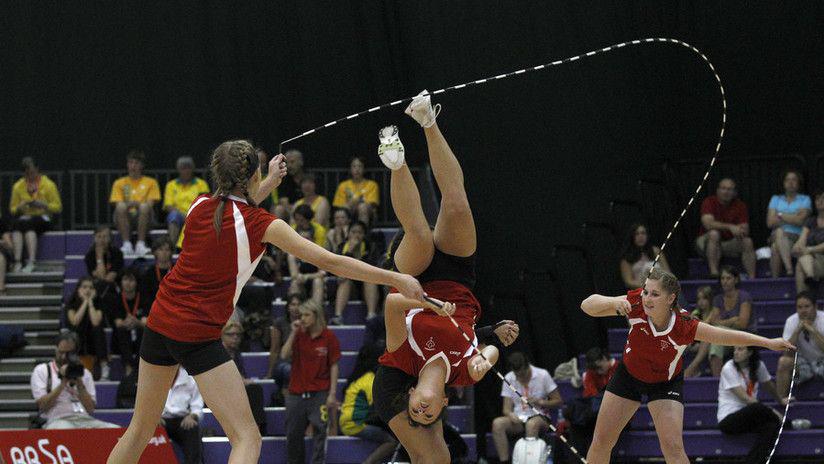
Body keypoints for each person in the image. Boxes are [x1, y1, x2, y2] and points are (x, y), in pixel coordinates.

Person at [107, 140, 423, 464]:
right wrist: (395, 279)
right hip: (197, 334)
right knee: (247, 437)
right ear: (253, 174)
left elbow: (233, 211)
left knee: (140, 428)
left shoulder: (198, 205)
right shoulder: (263, 225)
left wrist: (269, 182)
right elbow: (332, 262)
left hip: (161, 321)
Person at [372, 93, 519, 463]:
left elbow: (391, 303)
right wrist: (485, 357)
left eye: (417, 412)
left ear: (410, 396)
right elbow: (489, 350)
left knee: (419, 233)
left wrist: (425, 302)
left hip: (413, 279)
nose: (422, 412)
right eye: (429, 413)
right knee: (456, 203)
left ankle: (395, 162)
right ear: (442, 403)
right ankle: (426, 119)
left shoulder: (404, 358)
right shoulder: (462, 374)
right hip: (458, 277)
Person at [580, 267, 794, 464]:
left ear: (671, 298)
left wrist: (767, 343)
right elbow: (587, 305)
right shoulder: (635, 303)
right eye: (646, 292)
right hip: (628, 376)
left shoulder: (684, 326)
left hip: (665, 384)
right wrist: (615, 305)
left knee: (673, 449)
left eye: (655, 294)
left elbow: (726, 336)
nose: (647, 298)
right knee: (602, 441)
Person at [280, 300, 341, 464]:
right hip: (296, 392)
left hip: (319, 392)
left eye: (306, 315)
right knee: (293, 434)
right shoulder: (299, 334)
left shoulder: (329, 336)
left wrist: (332, 394)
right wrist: (292, 333)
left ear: (316, 315)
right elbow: (284, 355)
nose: (303, 319)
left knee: (321, 432)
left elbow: (334, 365)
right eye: (301, 315)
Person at [30, 332, 120, 429]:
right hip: (56, 419)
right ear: (55, 349)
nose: (64, 357)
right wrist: (62, 383)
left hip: (83, 419)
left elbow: (90, 409)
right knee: (65, 429)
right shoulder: (43, 370)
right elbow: (42, 407)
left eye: (68, 353)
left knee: (115, 430)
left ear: (75, 352)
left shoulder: (84, 373)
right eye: (61, 352)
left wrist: (79, 382)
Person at [717, 346, 785, 464]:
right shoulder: (728, 368)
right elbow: (745, 398)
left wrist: (780, 400)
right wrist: (772, 411)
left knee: (771, 426)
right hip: (729, 419)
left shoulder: (758, 365)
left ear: (750, 353)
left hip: (750, 416)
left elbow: (769, 386)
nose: (736, 353)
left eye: (740, 349)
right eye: (735, 350)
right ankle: (788, 423)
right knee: (756, 407)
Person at [491, 352, 562, 464]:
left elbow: (558, 401)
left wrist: (540, 402)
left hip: (540, 417)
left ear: (527, 366)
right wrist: (510, 415)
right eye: (517, 376)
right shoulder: (509, 378)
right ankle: (504, 461)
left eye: (523, 374)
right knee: (497, 424)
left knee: (531, 424)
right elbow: (506, 409)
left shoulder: (542, 375)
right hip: (519, 419)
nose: (520, 378)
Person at [340, 342, 397, 464]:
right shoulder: (370, 380)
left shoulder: (359, 378)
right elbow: (379, 406)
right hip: (354, 424)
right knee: (391, 441)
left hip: (347, 421)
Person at [8, 157, 62, 273]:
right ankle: (17, 261)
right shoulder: (18, 186)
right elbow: (12, 209)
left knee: (29, 223)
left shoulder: (48, 184)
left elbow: (58, 207)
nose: (30, 176)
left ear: (37, 170)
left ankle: (32, 261)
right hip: (25, 218)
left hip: (44, 217)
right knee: (17, 225)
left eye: (32, 173)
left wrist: (44, 205)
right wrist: (19, 207)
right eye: (27, 174)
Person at [695, 178, 756, 278]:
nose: (726, 192)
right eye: (723, 188)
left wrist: (740, 230)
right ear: (718, 190)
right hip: (706, 242)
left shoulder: (740, 205)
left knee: (747, 241)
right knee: (714, 234)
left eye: (729, 189)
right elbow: (708, 224)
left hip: (727, 243)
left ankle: (752, 279)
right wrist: (730, 227)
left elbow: (744, 230)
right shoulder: (709, 202)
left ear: (734, 192)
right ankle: (714, 273)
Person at [109, 150, 161, 256]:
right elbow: (117, 203)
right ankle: (126, 244)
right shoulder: (119, 183)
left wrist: (134, 204)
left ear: (142, 166)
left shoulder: (151, 182)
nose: (133, 166)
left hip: (144, 216)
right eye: (130, 163)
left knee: (144, 207)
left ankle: (140, 244)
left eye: (136, 163)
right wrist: (134, 204)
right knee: (120, 207)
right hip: (124, 216)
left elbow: (150, 203)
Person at [776, 291, 824, 400]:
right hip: (802, 363)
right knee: (783, 362)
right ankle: (781, 400)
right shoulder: (791, 321)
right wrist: (797, 332)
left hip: (822, 361)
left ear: (815, 306)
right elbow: (786, 352)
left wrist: (813, 331)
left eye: (807, 306)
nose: (803, 311)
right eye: (800, 307)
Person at [221, 321, 266, 435]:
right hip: (219, 391)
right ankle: (257, 428)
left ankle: (256, 427)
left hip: (234, 391)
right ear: (221, 335)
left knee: (254, 390)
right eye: (230, 334)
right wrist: (243, 381)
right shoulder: (218, 353)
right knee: (254, 390)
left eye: (238, 335)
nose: (235, 338)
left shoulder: (236, 354)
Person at [708, 266, 754, 376]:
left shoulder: (744, 297)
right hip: (725, 337)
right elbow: (713, 322)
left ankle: (699, 369)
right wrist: (733, 320)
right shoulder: (718, 299)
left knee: (715, 335)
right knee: (714, 338)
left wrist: (721, 323)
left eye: (728, 278)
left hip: (744, 336)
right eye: (722, 278)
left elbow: (743, 323)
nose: (724, 281)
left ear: (736, 280)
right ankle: (717, 381)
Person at [332, 221, 380, 324]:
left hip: (366, 284)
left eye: (359, 232)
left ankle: (371, 314)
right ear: (348, 234)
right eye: (353, 232)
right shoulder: (342, 247)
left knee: (370, 279)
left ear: (364, 235)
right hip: (350, 286)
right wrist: (350, 251)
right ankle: (338, 316)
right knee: (344, 279)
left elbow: (373, 269)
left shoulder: (370, 247)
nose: (356, 235)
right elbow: (339, 272)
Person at [767, 168, 811, 277]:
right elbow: (770, 222)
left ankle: (776, 281)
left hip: (797, 237)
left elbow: (800, 221)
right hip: (778, 235)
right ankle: (789, 269)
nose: (791, 183)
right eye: (787, 180)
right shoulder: (775, 199)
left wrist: (780, 215)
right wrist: (794, 216)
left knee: (775, 247)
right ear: (783, 183)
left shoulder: (805, 199)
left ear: (799, 183)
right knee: (779, 232)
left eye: (794, 180)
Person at [65, 277, 110, 380]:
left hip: (93, 341)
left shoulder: (98, 303)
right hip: (78, 338)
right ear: (78, 289)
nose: (88, 290)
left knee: (98, 329)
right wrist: (85, 302)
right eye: (84, 287)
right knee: (77, 332)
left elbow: (95, 321)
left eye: (91, 287)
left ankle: (104, 366)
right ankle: (75, 363)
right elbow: (75, 321)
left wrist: (90, 303)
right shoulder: (71, 303)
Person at [109, 269, 151, 377]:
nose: (128, 283)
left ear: (136, 282)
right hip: (122, 340)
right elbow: (118, 323)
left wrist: (136, 322)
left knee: (144, 330)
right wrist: (127, 322)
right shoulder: (116, 299)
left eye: (131, 280)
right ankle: (128, 366)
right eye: (125, 279)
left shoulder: (144, 298)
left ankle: (138, 367)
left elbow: (146, 323)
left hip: (139, 337)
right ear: (121, 282)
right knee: (121, 330)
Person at [163, 156, 211, 248]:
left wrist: (191, 214)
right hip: (178, 215)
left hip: (196, 214)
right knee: (173, 216)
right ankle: (172, 248)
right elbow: (168, 205)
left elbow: (205, 204)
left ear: (192, 169)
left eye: (188, 168)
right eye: (183, 168)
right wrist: (184, 215)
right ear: (178, 170)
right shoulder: (171, 185)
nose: (186, 171)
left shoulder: (201, 184)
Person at [160, 367, 204, 464]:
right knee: (150, 428)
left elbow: (197, 404)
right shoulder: (157, 376)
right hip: (162, 421)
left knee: (192, 427)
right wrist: (154, 417)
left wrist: (192, 416)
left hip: (183, 420)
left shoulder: (190, 378)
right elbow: (149, 402)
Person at [268, 293, 302, 404]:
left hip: (301, 362)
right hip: (284, 362)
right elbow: (275, 350)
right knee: (287, 369)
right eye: (293, 304)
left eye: (299, 304)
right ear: (288, 306)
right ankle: (289, 403)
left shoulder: (308, 323)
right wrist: (270, 373)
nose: (296, 308)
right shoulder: (280, 323)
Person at [619, 223, 670, 290]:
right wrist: (648, 286)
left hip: (662, 288)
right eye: (637, 234)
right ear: (632, 237)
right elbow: (629, 281)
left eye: (643, 233)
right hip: (641, 290)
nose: (641, 236)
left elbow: (667, 272)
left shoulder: (656, 251)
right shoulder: (627, 258)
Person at [792, 190, 824, 292]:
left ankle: (803, 299)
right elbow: (802, 239)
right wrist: (797, 246)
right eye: (818, 199)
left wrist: (809, 249)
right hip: (811, 259)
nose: (820, 201)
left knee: (801, 262)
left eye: (823, 198)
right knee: (801, 261)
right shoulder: (811, 221)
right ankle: (810, 279)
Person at [333, 156, 380, 226]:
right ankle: (344, 234)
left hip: (368, 213)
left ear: (364, 169)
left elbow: (372, 204)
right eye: (354, 166)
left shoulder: (372, 184)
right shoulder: (343, 185)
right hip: (349, 210)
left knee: (362, 207)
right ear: (350, 169)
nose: (357, 169)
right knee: (343, 210)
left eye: (360, 166)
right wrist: (354, 203)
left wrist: (355, 202)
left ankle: (363, 233)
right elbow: (340, 206)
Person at [683, 286, 718, 378]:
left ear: (710, 299)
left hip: (710, 340)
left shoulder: (714, 311)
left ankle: (692, 368)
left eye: (704, 298)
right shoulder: (696, 312)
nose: (701, 302)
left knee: (705, 339)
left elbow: (707, 326)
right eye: (699, 299)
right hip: (696, 340)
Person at [84, 224, 124, 303]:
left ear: (110, 238)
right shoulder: (90, 255)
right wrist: (99, 257)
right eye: (99, 237)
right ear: (94, 238)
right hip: (97, 288)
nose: (102, 240)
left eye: (105, 236)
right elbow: (101, 277)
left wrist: (100, 256)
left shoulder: (117, 253)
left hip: (115, 287)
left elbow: (110, 278)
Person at [139, 236, 174, 308]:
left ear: (171, 252)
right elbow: (145, 296)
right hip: (155, 309)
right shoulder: (148, 274)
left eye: (167, 250)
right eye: (160, 249)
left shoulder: (177, 271)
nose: (164, 253)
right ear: (155, 252)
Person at [272, 149, 307, 220]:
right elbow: (284, 202)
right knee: (279, 209)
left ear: (301, 162)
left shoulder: (309, 178)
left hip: (308, 209)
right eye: (287, 163)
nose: (289, 166)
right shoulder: (283, 179)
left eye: (292, 162)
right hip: (291, 212)